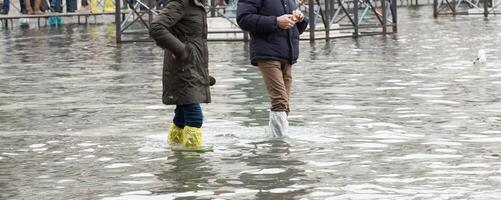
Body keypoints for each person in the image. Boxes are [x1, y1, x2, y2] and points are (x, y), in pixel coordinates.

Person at [237, 0, 308, 137]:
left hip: (287, 55)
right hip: (267, 53)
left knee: (285, 103)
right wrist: (276, 21)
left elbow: (294, 31)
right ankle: (279, 147)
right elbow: (244, 19)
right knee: (280, 101)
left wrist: (299, 19)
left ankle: (277, 138)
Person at [149, 0, 212, 148]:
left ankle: (175, 152)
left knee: (181, 117)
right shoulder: (181, 3)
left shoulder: (197, 6)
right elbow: (156, 27)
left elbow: (194, 42)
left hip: (192, 68)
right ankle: (192, 160)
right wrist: (180, 50)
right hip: (183, 69)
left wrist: (203, 74)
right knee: (195, 118)